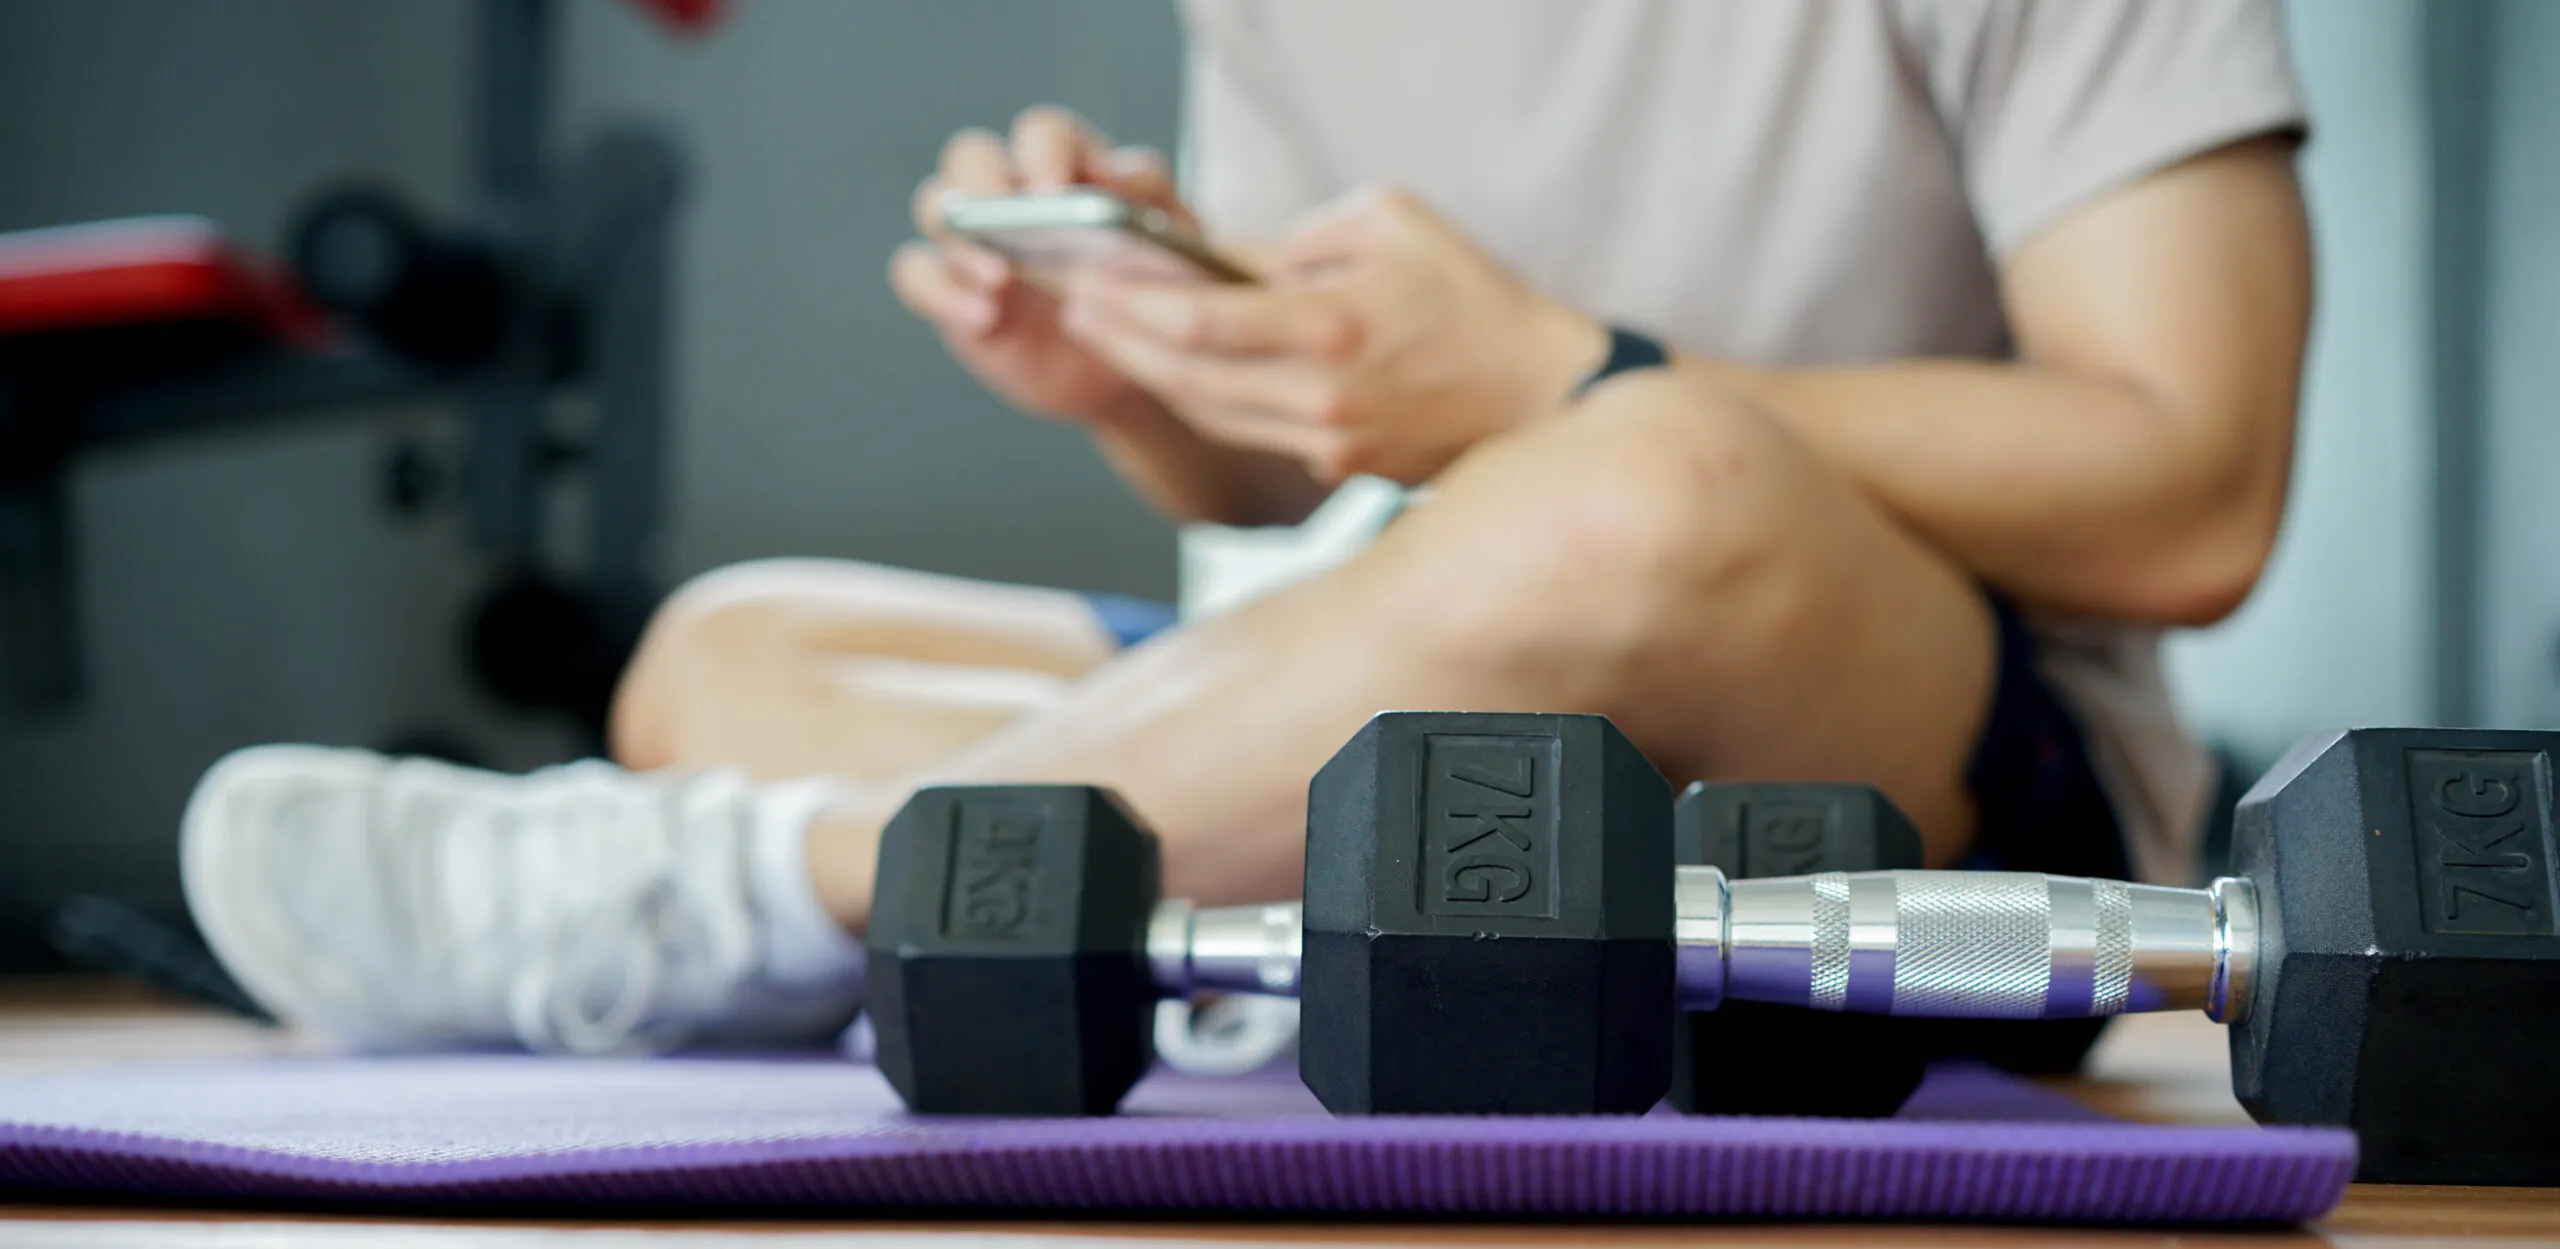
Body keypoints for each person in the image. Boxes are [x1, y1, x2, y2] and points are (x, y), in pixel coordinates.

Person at [179, 0, 2312, 1057]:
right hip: (1455, 675)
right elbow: (1297, 483)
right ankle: (1122, 925)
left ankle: (779, 883)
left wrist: (1565, 371)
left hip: (1936, 767)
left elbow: (2190, 489)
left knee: (1650, 469)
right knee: (723, 654)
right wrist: (1142, 381)